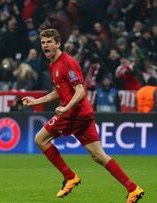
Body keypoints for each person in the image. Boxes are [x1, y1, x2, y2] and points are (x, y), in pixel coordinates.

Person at [22, 29, 144, 203]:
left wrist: (66, 108)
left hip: (74, 113)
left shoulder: (67, 63)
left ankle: (70, 176)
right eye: (43, 42)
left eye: (49, 42)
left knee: (40, 139)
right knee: (99, 156)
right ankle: (133, 189)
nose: (46, 45)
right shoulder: (52, 64)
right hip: (82, 114)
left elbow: (80, 91)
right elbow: (58, 91)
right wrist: (36, 101)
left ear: (58, 43)